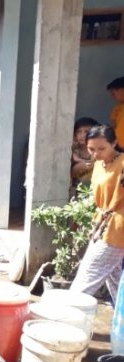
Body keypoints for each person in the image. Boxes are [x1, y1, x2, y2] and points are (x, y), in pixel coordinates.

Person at [70, 125, 124, 304]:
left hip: (118, 228)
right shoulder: (99, 165)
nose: (96, 154)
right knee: (115, 280)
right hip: (103, 224)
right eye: (91, 149)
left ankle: (67, 317)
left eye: (102, 149)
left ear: (114, 143)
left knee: (86, 278)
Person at [71, 117, 98, 192]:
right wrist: (78, 166)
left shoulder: (98, 150)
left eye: (86, 131)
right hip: (76, 191)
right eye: (78, 132)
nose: (82, 135)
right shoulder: (74, 150)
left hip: (94, 190)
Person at [107, 77, 124, 149]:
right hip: (119, 146)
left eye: (113, 93)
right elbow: (113, 125)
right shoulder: (117, 109)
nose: (112, 96)